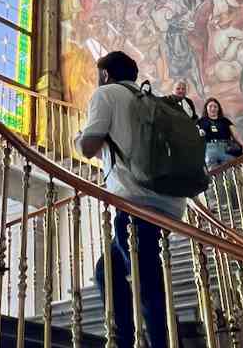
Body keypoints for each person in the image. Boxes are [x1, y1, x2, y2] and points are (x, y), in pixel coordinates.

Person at [74, 50, 188, 348]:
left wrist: (78, 138)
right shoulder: (150, 99)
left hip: (136, 205)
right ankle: (124, 340)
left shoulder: (106, 95)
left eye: (100, 76)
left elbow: (88, 147)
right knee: (107, 272)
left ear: (106, 75)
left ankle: (165, 343)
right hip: (166, 202)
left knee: (147, 283)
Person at [197, 97, 243, 167]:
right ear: (206, 108)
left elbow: (236, 135)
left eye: (215, 106)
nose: (213, 108)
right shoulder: (201, 121)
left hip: (226, 147)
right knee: (214, 172)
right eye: (210, 106)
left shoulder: (225, 120)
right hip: (210, 148)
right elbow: (196, 134)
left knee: (232, 169)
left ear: (218, 109)